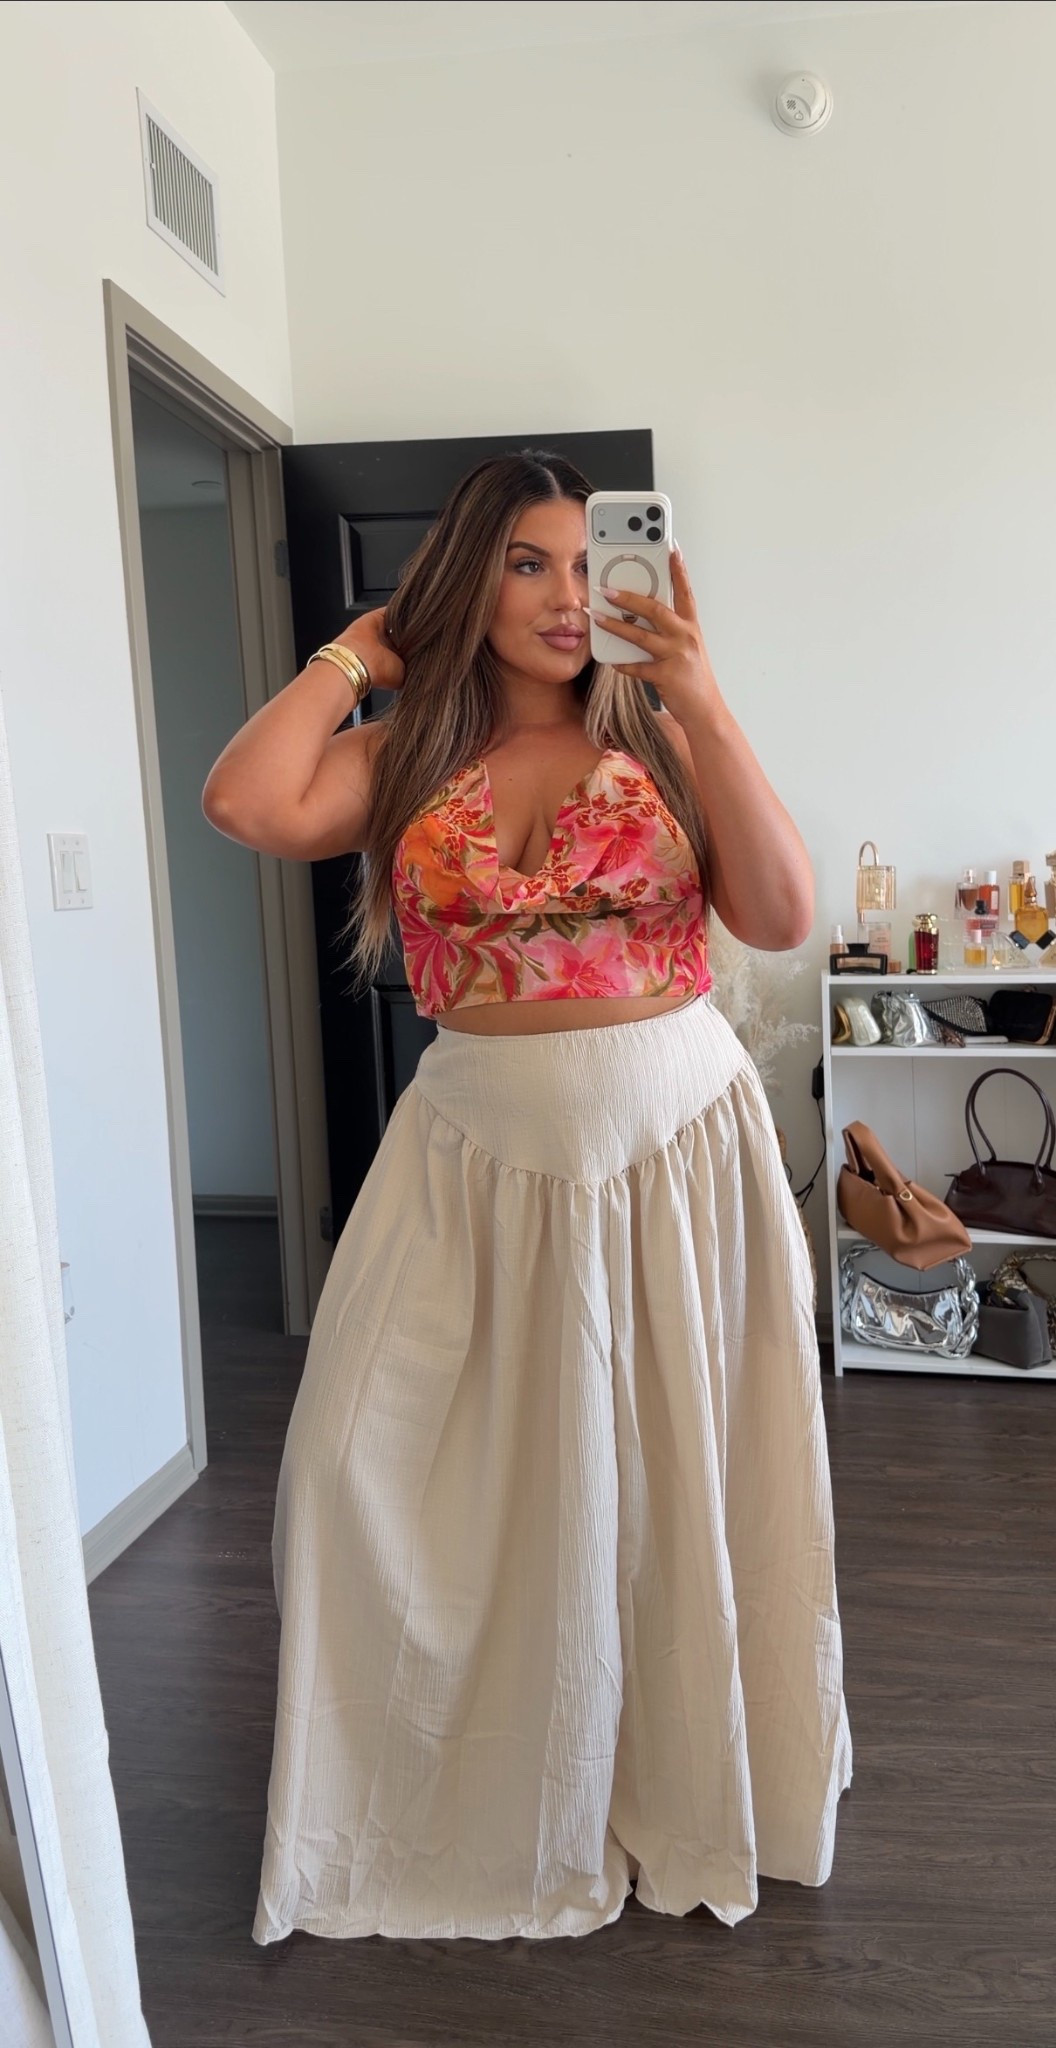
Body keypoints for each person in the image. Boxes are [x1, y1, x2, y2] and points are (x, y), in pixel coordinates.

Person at [202, 449, 852, 1944]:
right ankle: (466, 1792)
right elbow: (246, 799)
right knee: (354, 1467)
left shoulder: (663, 737)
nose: (568, 596)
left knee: (678, 1485)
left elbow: (778, 913)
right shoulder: (402, 755)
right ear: (468, 580)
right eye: (527, 563)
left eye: (585, 563)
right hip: (471, 1161)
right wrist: (355, 653)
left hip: (677, 1151)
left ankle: (678, 1771)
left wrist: (702, 698)